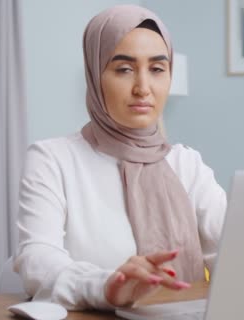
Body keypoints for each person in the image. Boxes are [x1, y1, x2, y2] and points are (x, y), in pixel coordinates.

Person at [13, 4, 226, 311]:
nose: (143, 88)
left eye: (157, 69)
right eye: (124, 69)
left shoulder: (187, 165)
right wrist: (105, 286)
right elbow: (37, 258)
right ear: (95, 75)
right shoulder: (52, 159)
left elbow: (232, 256)